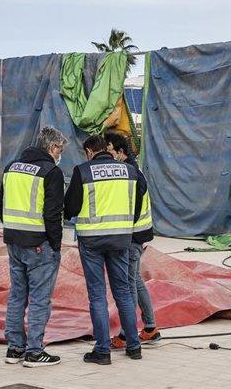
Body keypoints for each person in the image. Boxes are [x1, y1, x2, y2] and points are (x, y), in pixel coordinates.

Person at [64, 132, 145, 365]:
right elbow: (137, 204)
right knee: (124, 293)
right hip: (121, 240)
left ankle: (102, 351)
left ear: (90, 152)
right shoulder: (130, 171)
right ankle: (134, 346)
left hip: (92, 242)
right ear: (107, 149)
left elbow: (70, 207)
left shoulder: (83, 171)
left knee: (97, 296)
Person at [0, 126, 67, 367]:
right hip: (39, 244)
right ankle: (35, 351)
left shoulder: (11, 168)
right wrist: (55, 245)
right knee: (39, 299)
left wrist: (15, 229)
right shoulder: (51, 172)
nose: (60, 154)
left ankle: (15, 348)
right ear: (52, 147)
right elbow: (53, 214)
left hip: (14, 241)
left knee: (17, 295)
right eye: (60, 150)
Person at [107, 136, 159, 349]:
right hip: (139, 234)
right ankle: (150, 327)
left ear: (120, 152)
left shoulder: (130, 174)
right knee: (135, 280)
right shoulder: (133, 170)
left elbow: (132, 209)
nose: (107, 155)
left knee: (127, 285)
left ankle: (126, 334)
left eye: (109, 150)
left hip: (132, 237)